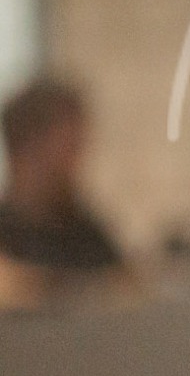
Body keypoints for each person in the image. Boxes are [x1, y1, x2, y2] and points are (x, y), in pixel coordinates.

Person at [0, 79, 120, 297]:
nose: (76, 163)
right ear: (28, 148)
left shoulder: (86, 234)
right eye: (68, 148)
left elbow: (123, 286)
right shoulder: (6, 231)